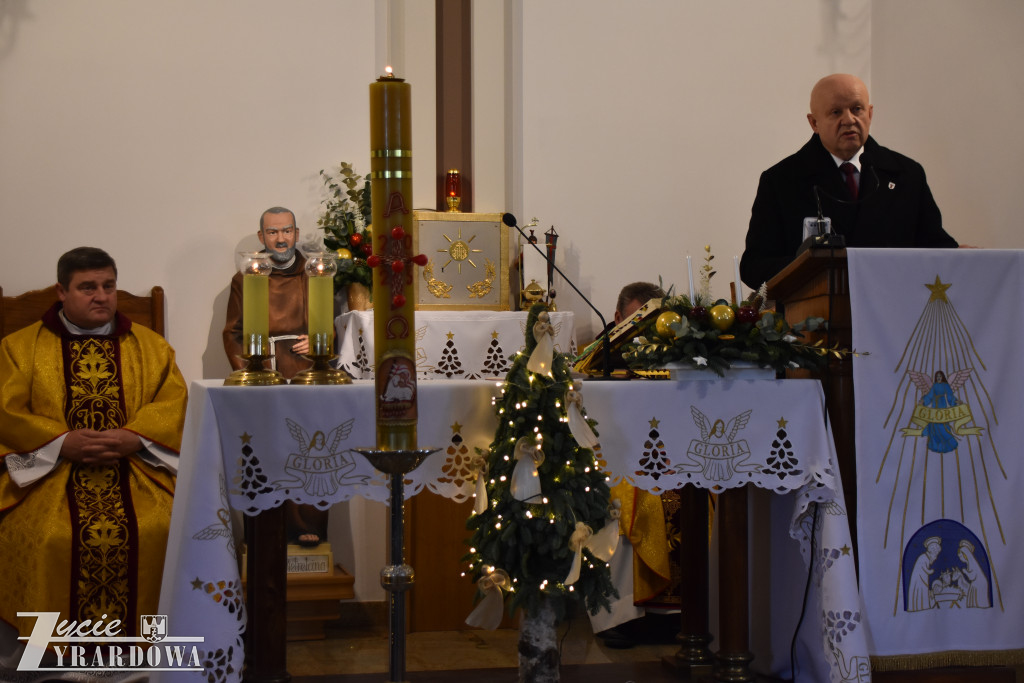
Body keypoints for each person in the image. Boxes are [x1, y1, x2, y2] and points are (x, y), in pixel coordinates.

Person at [0, 247, 187, 659]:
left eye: (108, 286)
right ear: (61, 292)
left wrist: (136, 436)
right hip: (49, 475)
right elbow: (5, 411)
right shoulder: (19, 347)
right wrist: (60, 441)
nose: (101, 296)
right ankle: (49, 657)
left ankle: (147, 656)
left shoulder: (152, 347)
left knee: (161, 527)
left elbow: (174, 403)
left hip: (135, 470)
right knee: (48, 535)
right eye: (87, 287)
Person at [740, 73, 959, 289]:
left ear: (870, 114)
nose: (849, 120)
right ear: (814, 123)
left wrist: (960, 257)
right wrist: (810, 267)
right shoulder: (782, 181)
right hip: (816, 309)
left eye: (857, 109)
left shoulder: (906, 174)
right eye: (836, 112)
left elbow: (936, 247)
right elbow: (754, 267)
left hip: (891, 303)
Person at [222, 206, 326, 546]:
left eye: (286, 231)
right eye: (272, 232)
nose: (280, 239)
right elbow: (233, 332)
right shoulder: (246, 278)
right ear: (261, 236)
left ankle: (307, 524)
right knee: (267, 450)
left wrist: (320, 340)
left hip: (305, 370)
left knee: (308, 449)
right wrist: (248, 369)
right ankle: (266, 532)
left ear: (296, 233)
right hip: (264, 371)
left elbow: (334, 323)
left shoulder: (315, 273)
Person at [592, 282, 680, 648]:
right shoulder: (598, 358)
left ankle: (679, 614)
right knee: (625, 502)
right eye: (636, 321)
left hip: (670, 453)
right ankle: (620, 615)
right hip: (618, 455)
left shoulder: (677, 353)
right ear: (617, 318)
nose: (645, 333)